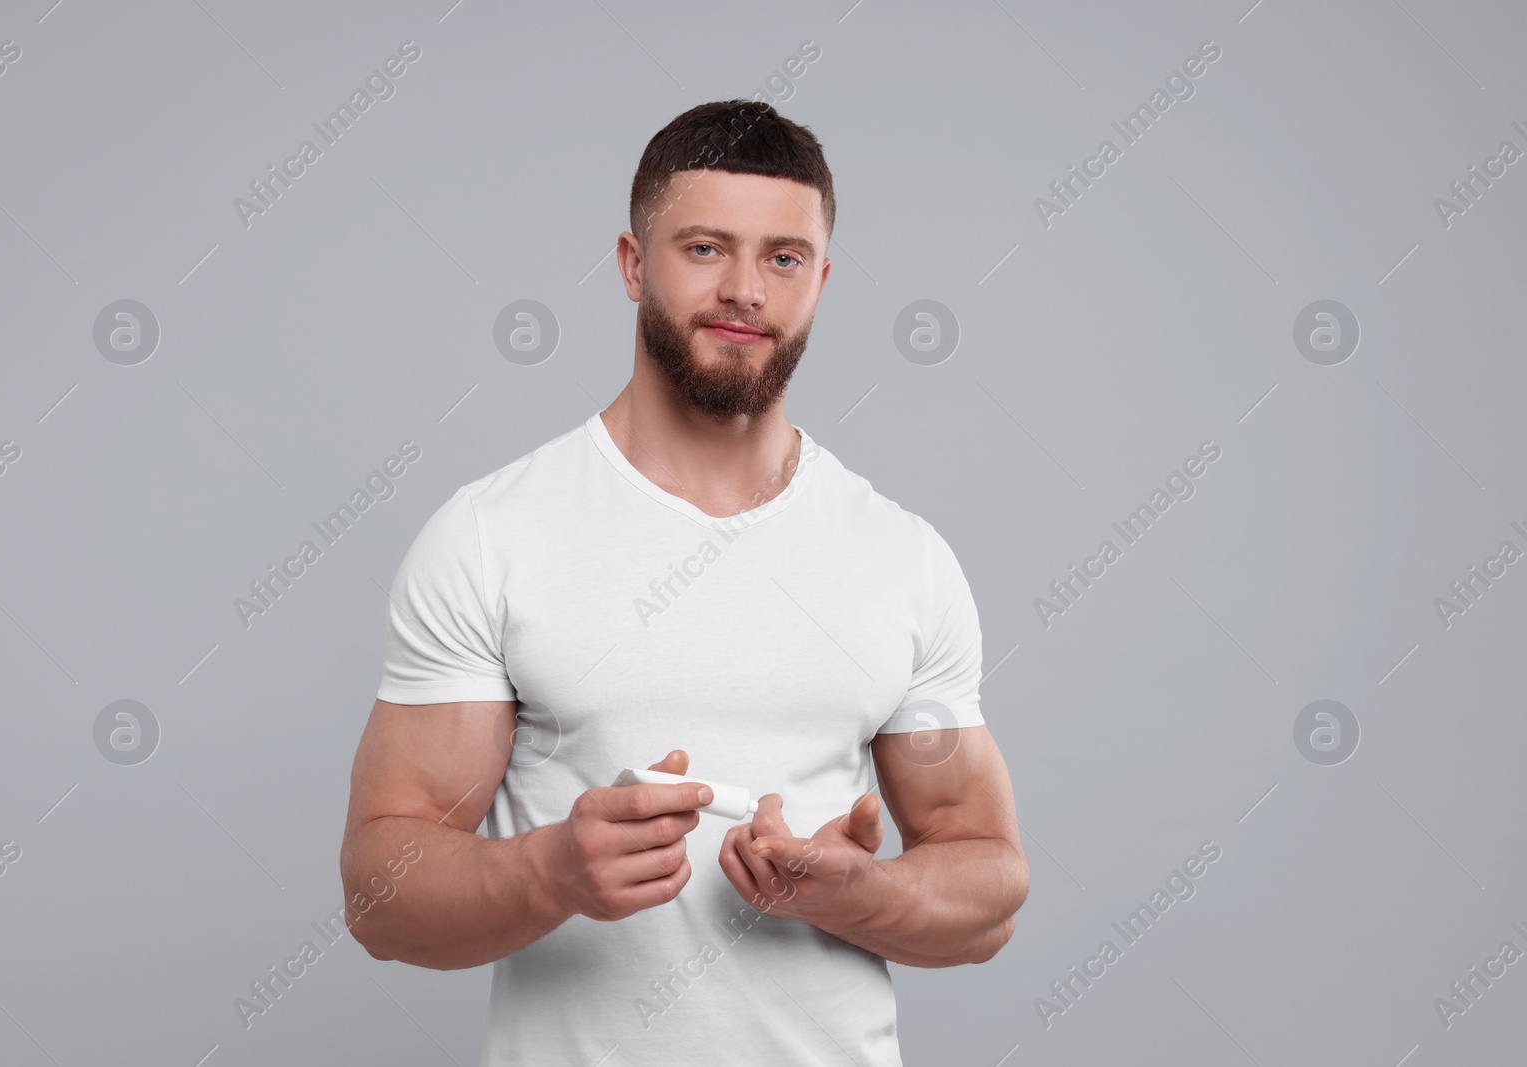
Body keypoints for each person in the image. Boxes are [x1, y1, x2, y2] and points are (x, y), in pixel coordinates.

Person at [339, 98, 1028, 1065]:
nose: (745, 289)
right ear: (631, 264)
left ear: (821, 282)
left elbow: (988, 891)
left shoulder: (900, 556)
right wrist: (550, 873)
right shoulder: (492, 536)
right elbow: (379, 895)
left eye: (783, 259)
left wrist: (857, 896)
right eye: (705, 248)